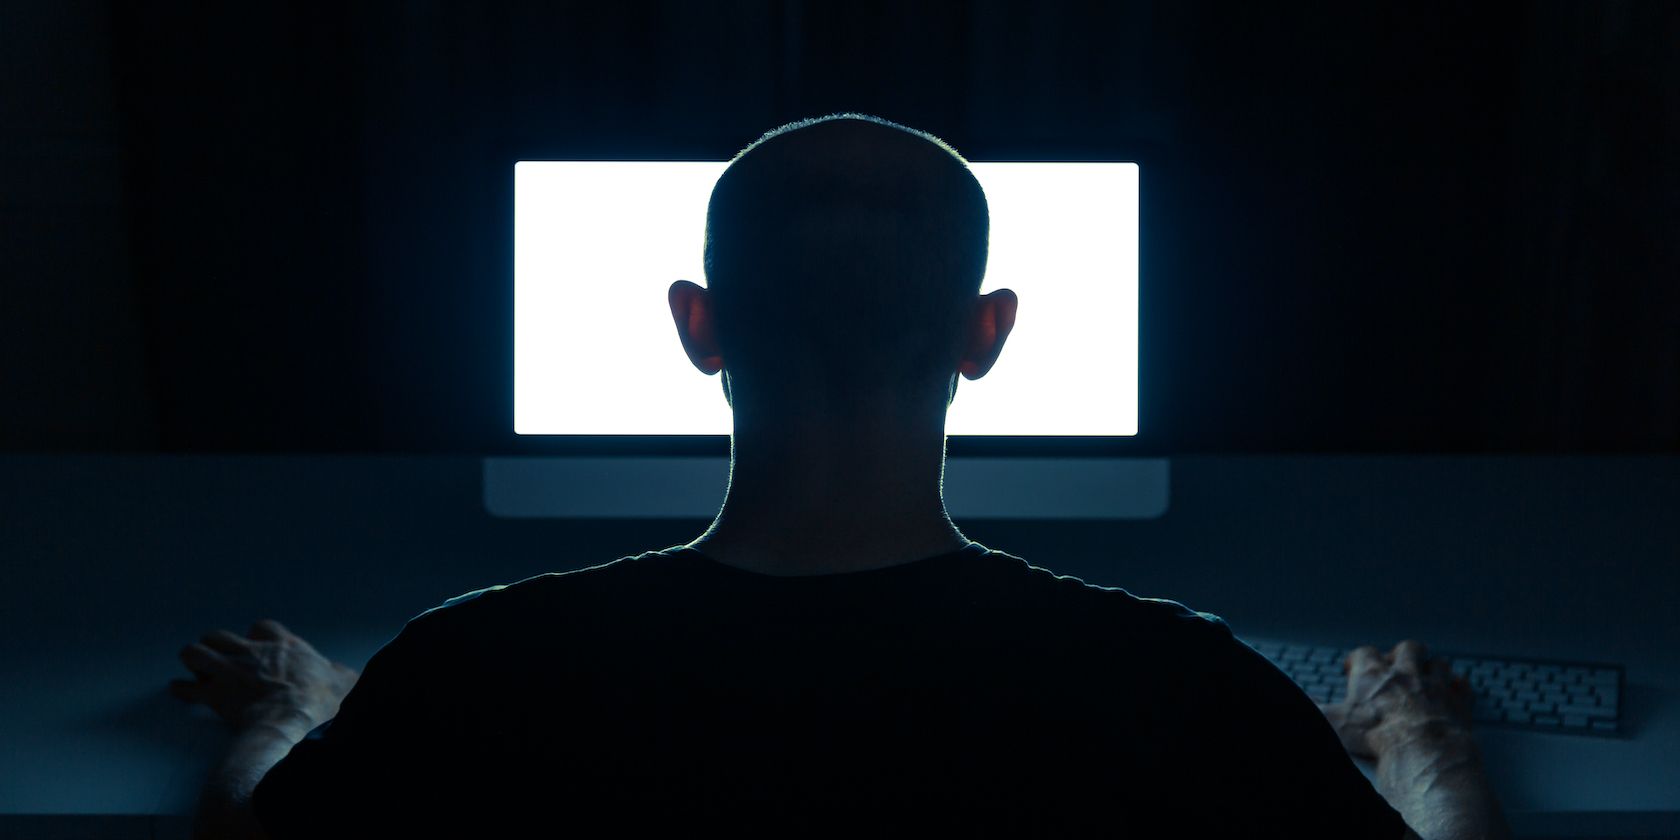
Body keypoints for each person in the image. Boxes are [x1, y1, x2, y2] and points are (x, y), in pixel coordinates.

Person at [170, 114, 1509, 838]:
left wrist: (291, 713)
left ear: (696, 327)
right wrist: (1426, 748)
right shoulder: (1188, 689)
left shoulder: (468, 673)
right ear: (990, 336)